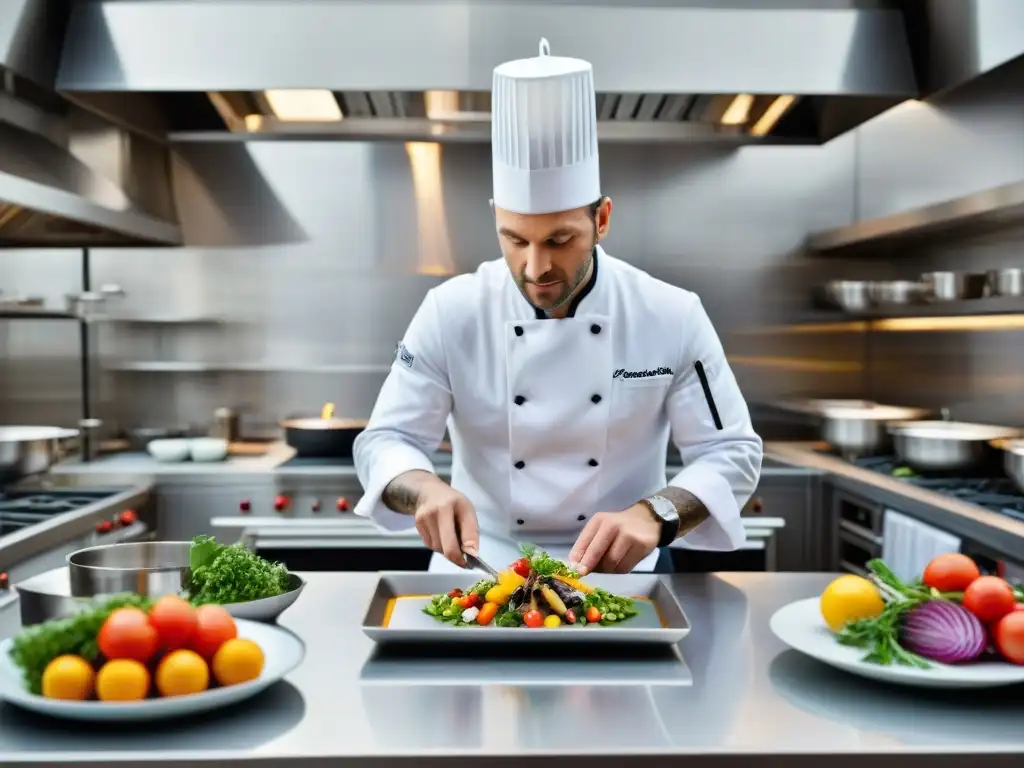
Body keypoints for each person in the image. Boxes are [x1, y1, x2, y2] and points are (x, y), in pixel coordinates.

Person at [354, 38, 762, 575]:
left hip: (622, 578)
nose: (535, 267)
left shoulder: (671, 314)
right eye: (514, 239)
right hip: (482, 574)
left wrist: (656, 513)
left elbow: (732, 453)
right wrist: (424, 487)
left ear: (603, 219)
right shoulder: (450, 311)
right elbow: (388, 439)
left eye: (560, 239)